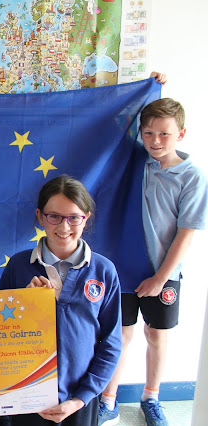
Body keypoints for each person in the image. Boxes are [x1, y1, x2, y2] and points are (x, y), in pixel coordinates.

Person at [98, 98, 208, 426]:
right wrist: (150, 87)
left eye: (164, 134)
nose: (155, 141)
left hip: (165, 272)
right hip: (123, 268)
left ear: (181, 134)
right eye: (148, 133)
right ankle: (109, 399)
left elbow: (186, 233)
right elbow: (115, 119)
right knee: (119, 334)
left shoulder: (192, 177)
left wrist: (161, 278)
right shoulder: (136, 162)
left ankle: (151, 397)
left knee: (157, 335)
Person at [0, 175, 122, 426]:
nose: (64, 227)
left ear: (86, 218)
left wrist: (82, 397)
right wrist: (24, 303)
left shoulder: (103, 271)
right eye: (54, 216)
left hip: (80, 399)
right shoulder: (19, 266)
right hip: (27, 396)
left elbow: (111, 343)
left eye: (73, 217)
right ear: (40, 216)